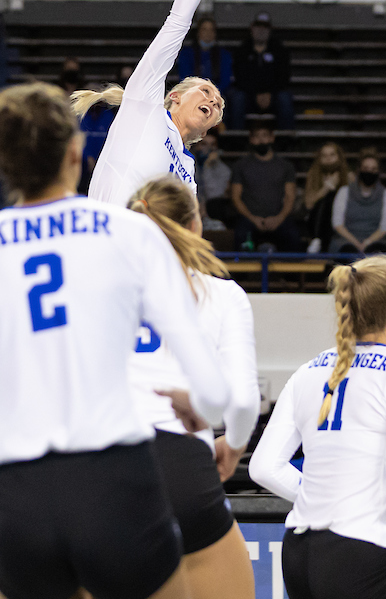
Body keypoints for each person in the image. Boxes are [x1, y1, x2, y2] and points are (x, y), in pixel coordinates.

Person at [0, 82, 230, 599]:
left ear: (3, 165)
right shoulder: (133, 232)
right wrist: (196, 404)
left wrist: (1, 450)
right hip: (115, 475)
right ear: (76, 154)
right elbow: (211, 389)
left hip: (22, 500)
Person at [249, 255, 386, 599]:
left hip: (297, 551)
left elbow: (263, 467)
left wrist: (327, 498)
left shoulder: (308, 370)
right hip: (359, 553)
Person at [127, 176, 260, 599]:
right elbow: (242, 401)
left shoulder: (93, 295)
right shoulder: (221, 295)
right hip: (177, 459)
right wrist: (233, 445)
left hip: (95, 463)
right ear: (195, 225)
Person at [74, 0, 247, 204]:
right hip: (103, 237)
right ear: (176, 96)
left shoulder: (189, 172)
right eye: (206, 91)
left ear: (210, 128)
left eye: (217, 105)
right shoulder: (145, 105)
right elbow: (177, 23)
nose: (213, 101)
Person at [230, 123, 301, 252]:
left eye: (265, 136)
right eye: (257, 136)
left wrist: (279, 218)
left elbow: (290, 196)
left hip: (279, 218)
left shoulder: (285, 166)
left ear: (272, 138)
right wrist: (253, 219)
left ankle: (293, 273)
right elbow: (235, 197)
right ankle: (239, 272)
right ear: (251, 139)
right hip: (249, 219)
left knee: (293, 236)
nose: (261, 140)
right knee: (240, 236)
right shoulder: (240, 166)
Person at [228, 13, 294, 131]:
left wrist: (270, 93)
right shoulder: (243, 50)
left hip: (273, 95)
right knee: (237, 99)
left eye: (265, 27)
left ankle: (286, 143)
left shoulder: (279, 50)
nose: (261, 30)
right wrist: (255, 94)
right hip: (249, 95)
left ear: (270, 30)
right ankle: (236, 142)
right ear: (252, 28)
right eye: (258, 27)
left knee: (285, 99)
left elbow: (284, 76)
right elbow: (239, 76)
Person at [329, 153, 386, 254]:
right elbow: (338, 224)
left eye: (373, 169)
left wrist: (367, 243)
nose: (369, 172)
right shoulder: (344, 191)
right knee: (347, 253)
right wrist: (356, 244)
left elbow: (384, 228)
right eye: (366, 168)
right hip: (345, 243)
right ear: (359, 170)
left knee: (377, 254)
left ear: (378, 172)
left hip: (375, 244)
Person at [304, 142, 352, 254]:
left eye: (332, 155)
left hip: (343, 219)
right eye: (324, 156)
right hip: (318, 220)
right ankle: (317, 240)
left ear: (339, 157)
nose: (328, 159)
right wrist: (326, 188)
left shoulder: (349, 177)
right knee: (326, 200)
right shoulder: (313, 175)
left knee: (333, 199)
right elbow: (308, 204)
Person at [176, 16, 233, 94]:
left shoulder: (224, 55)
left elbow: (225, 80)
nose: (208, 33)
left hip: (218, 94)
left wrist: (212, 92)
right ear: (198, 32)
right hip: (193, 94)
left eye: (211, 30)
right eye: (204, 29)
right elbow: (185, 79)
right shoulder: (186, 54)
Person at [193, 131, 233, 226]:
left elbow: (213, 195)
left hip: (212, 214)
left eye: (212, 144)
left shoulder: (224, 170)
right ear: (196, 146)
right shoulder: (187, 163)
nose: (208, 148)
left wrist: (208, 166)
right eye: (204, 144)